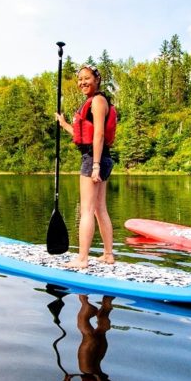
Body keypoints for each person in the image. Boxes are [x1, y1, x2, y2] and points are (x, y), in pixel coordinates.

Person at [55, 65, 117, 268]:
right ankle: (108, 255)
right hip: (101, 157)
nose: (82, 82)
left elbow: (98, 134)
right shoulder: (96, 101)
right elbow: (85, 134)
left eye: (86, 78)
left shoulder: (98, 101)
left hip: (94, 159)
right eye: (80, 79)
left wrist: (96, 166)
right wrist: (64, 125)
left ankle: (82, 259)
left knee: (87, 210)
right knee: (100, 209)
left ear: (97, 80)